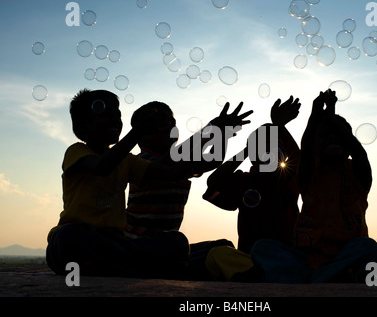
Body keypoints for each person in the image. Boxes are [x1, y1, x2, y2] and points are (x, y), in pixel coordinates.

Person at [45, 89, 250, 279]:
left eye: (117, 113)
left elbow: (181, 168)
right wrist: (138, 131)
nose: (115, 117)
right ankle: (148, 268)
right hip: (79, 241)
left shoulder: (129, 161)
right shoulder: (78, 152)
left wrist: (219, 132)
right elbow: (102, 166)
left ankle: (129, 268)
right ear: (81, 126)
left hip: (119, 246)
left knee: (177, 241)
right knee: (70, 235)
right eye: (105, 113)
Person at [251, 90, 377, 283]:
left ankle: (316, 277)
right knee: (262, 248)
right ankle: (330, 276)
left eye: (338, 135)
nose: (333, 139)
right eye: (325, 136)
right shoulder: (308, 173)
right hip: (309, 258)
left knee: (372, 250)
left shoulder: (357, 173)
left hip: (346, 254)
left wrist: (330, 114)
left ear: (348, 143)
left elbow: (360, 154)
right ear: (316, 147)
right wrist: (315, 115)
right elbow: (306, 146)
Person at [125, 100, 253, 279]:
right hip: (137, 245)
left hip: (169, 246)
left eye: (171, 120)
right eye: (160, 121)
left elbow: (213, 160)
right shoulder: (142, 161)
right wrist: (212, 129)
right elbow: (170, 164)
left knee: (222, 245)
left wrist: (223, 134)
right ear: (140, 134)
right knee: (176, 242)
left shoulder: (180, 163)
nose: (168, 124)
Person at [202, 96, 301, 281]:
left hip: (284, 254)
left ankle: (268, 273)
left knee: (266, 249)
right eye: (260, 145)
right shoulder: (245, 181)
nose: (266, 150)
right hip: (249, 259)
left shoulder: (286, 178)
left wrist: (279, 126)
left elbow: (302, 162)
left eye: (272, 145)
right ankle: (266, 273)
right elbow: (214, 182)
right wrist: (246, 151)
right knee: (217, 253)